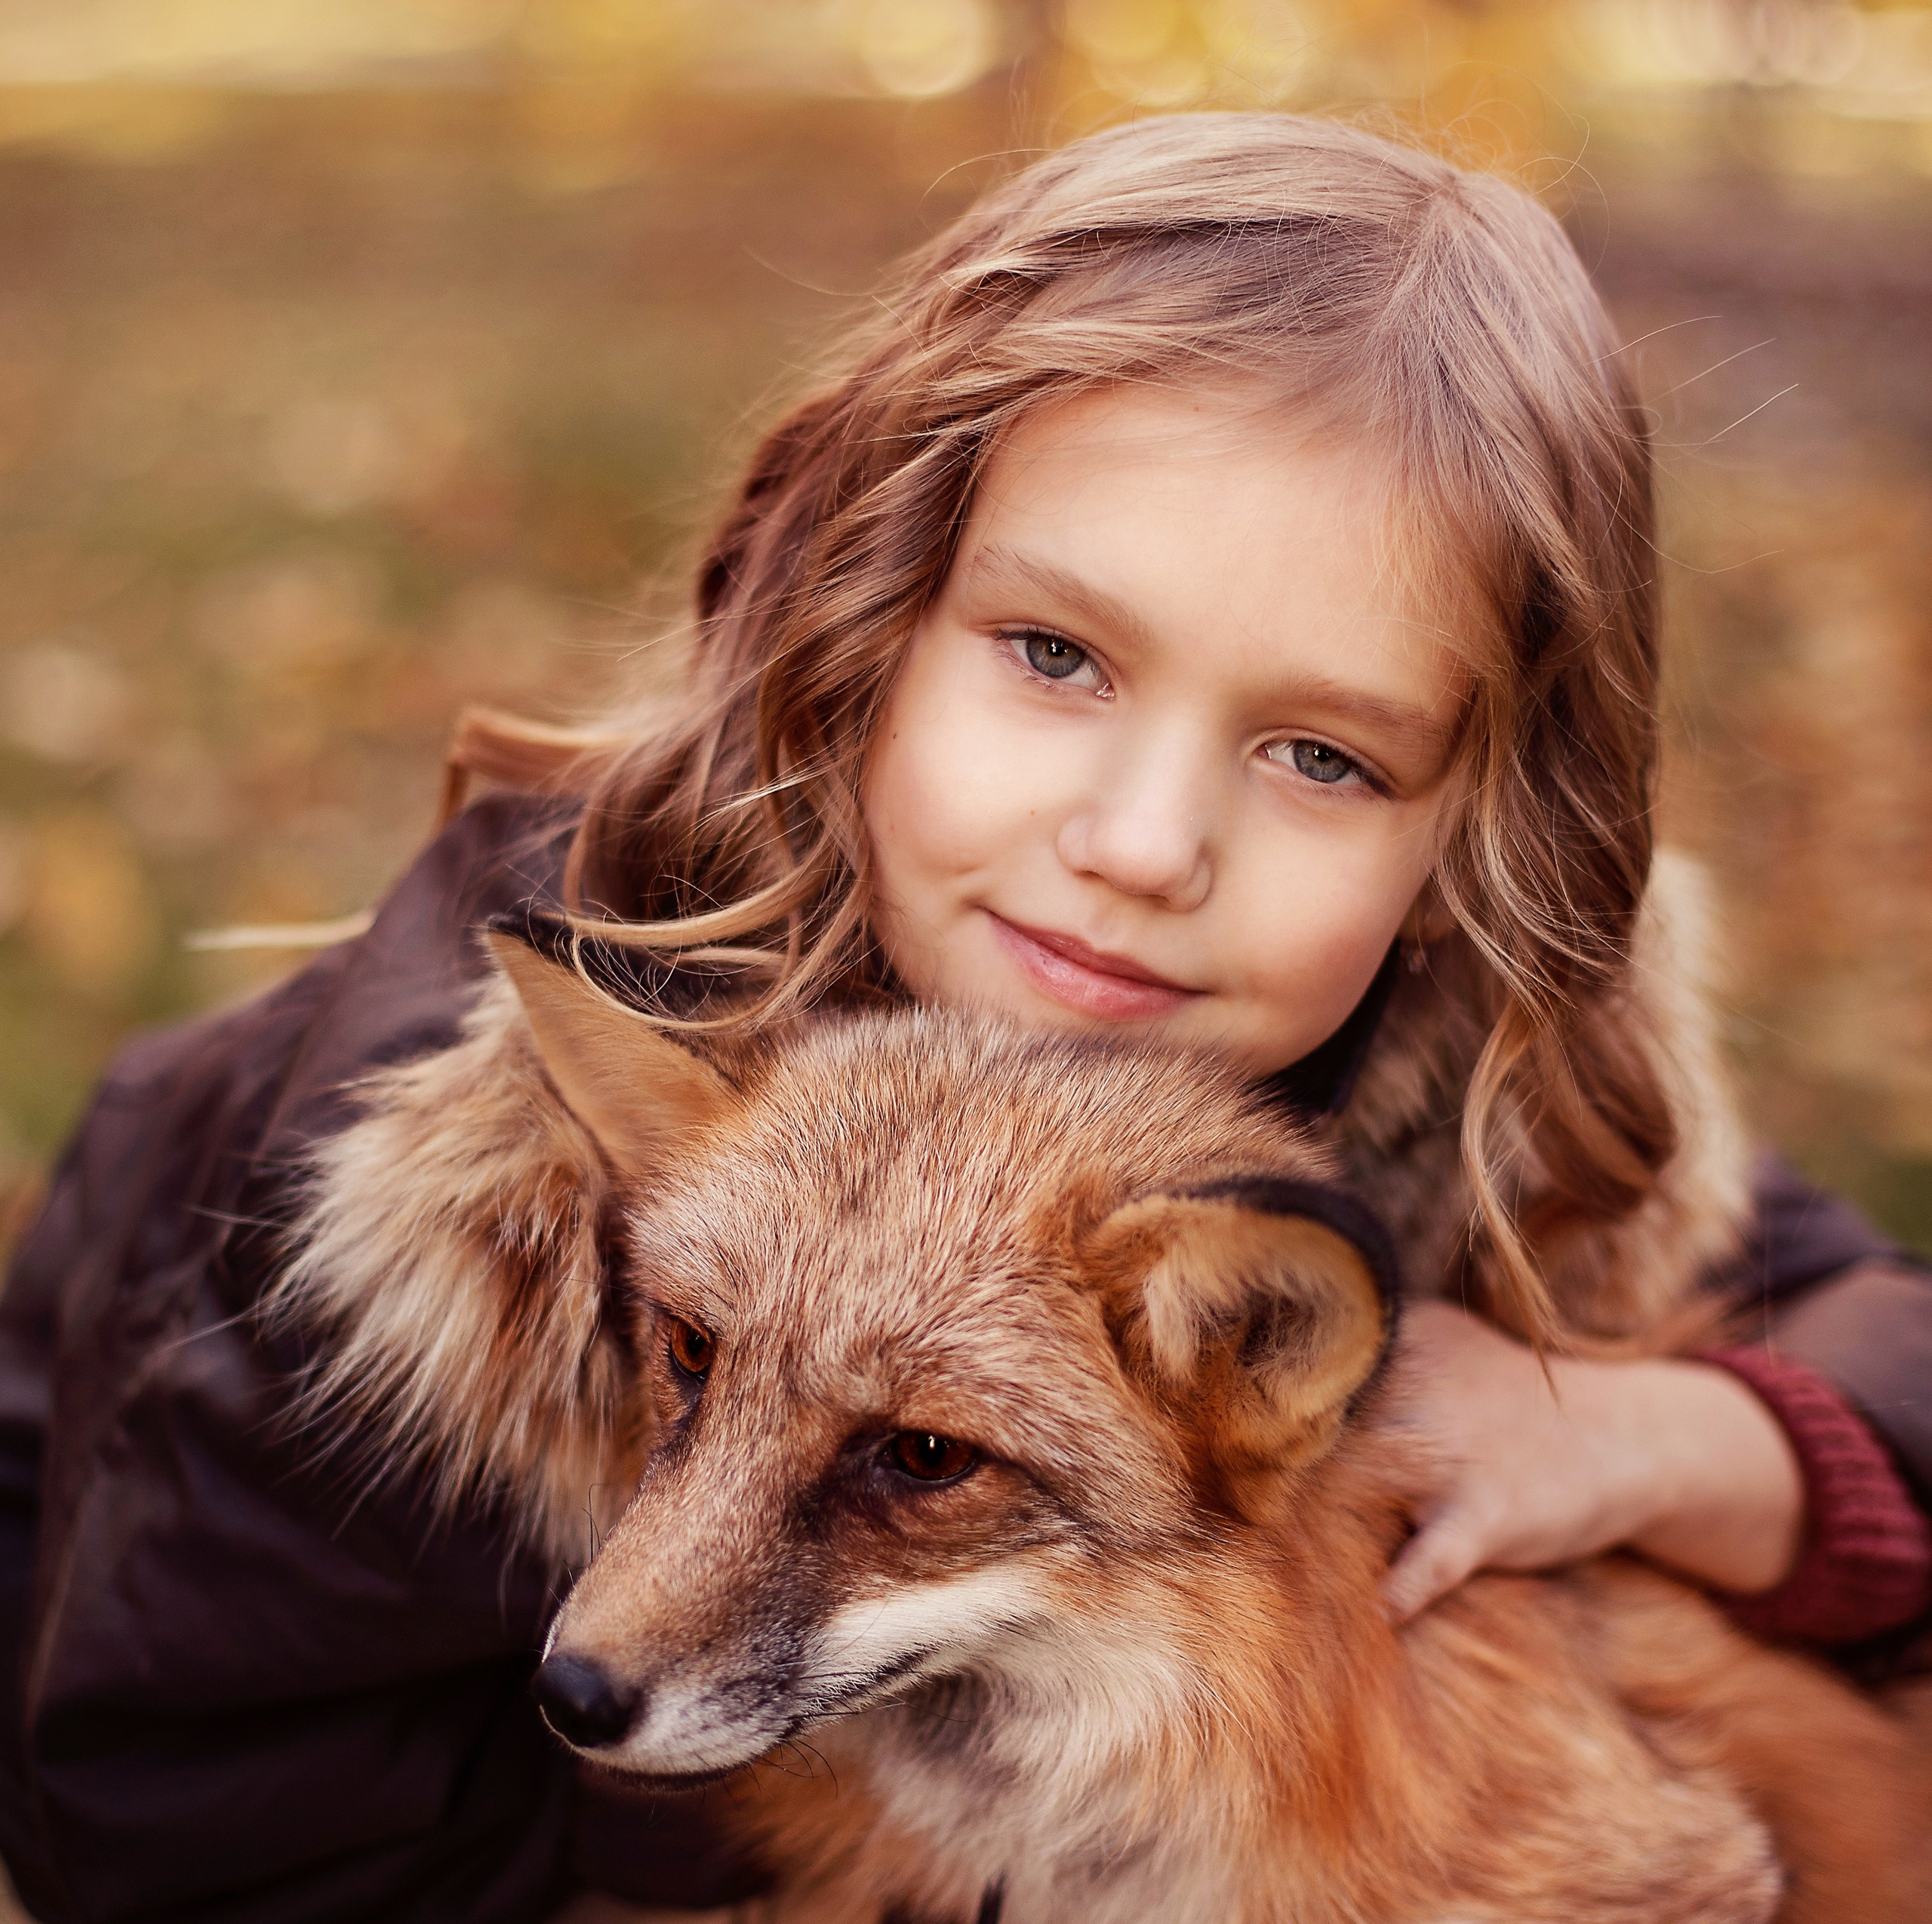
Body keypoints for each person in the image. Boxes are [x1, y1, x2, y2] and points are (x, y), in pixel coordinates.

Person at [2, 112, 1927, 1923]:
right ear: (858, 620)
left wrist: (1663, 1439)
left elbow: (1889, 1349)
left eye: (1321, 756)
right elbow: (158, 1817)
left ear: (1472, 845)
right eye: (1054, 654)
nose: (1143, 843)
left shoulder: (1494, 1070)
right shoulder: (416, 1175)